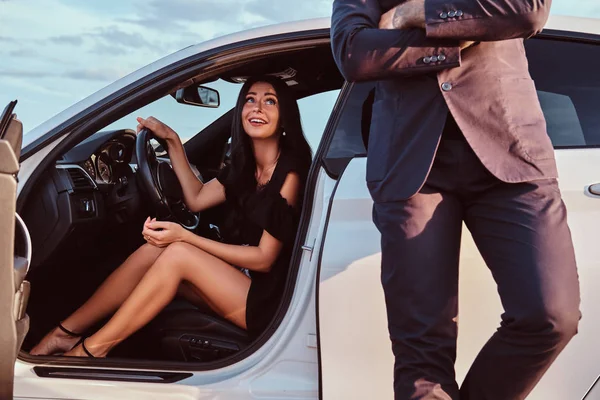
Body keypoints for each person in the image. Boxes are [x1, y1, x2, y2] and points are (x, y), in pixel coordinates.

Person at [331, 1, 581, 399]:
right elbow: (354, 53)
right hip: (412, 167)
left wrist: (412, 15)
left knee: (550, 316)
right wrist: (465, 33)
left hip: (510, 153)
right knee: (421, 360)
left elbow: (526, 11)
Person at [30, 75, 312, 358]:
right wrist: (173, 142)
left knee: (178, 253)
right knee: (157, 249)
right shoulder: (244, 168)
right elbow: (197, 198)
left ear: (284, 117)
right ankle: (63, 334)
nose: (257, 108)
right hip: (245, 283)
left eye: (270, 101)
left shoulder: (290, 172)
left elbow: (264, 259)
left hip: (270, 301)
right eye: (250, 99)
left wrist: (186, 237)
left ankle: (91, 351)